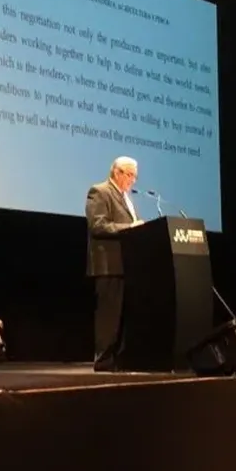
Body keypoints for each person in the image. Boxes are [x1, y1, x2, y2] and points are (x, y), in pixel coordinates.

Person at [85, 156, 144, 371]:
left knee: (125, 316)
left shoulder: (127, 198)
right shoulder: (99, 191)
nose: (132, 180)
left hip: (128, 266)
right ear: (117, 172)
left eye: (134, 176)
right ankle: (104, 360)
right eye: (129, 175)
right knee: (109, 316)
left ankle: (121, 359)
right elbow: (98, 225)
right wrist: (130, 227)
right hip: (109, 265)